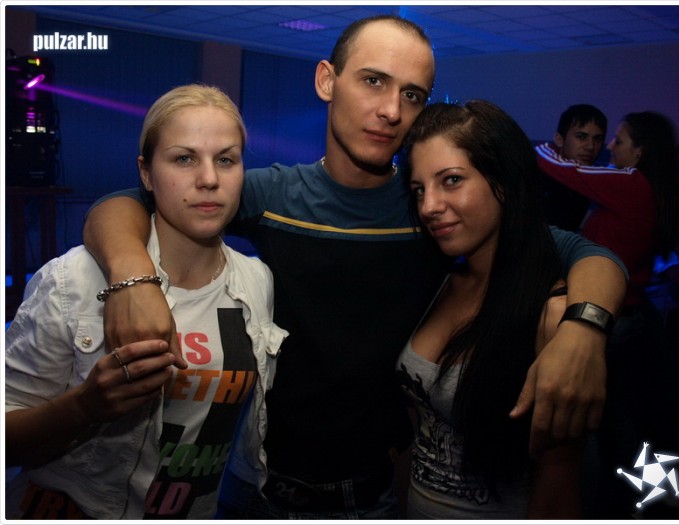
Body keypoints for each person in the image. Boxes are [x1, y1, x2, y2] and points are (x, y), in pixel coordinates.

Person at [83, 15, 627, 519]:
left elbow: (586, 254)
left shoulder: (429, 209)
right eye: (373, 81)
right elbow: (126, 203)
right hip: (258, 487)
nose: (392, 110)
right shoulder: (273, 194)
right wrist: (133, 277)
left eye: (411, 95)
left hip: (375, 494)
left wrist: (584, 329)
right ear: (327, 80)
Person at [4, 84, 287, 519]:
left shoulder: (255, 280)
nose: (209, 179)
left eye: (226, 159)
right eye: (184, 159)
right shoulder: (73, 279)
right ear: (147, 174)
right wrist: (83, 408)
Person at [396, 100, 584, 519]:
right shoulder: (440, 283)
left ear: (504, 181)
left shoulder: (553, 315)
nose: (428, 206)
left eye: (451, 180)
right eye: (419, 189)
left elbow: (558, 485)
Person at [536, 111, 679, 518]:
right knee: (615, 417)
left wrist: (546, 147)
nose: (607, 147)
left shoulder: (631, 182)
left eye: (616, 140)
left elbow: (553, 164)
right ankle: (655, 499)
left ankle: (634, 504)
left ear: (639, 151)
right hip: (627, 318)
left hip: (608, 321)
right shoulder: (651, 188)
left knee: (596, 422)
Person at [541, 104, 608, 232]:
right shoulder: (540, 174)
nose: (590, 146)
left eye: (597, 139)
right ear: (559, 139)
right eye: (581, 137)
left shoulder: (590, 180)